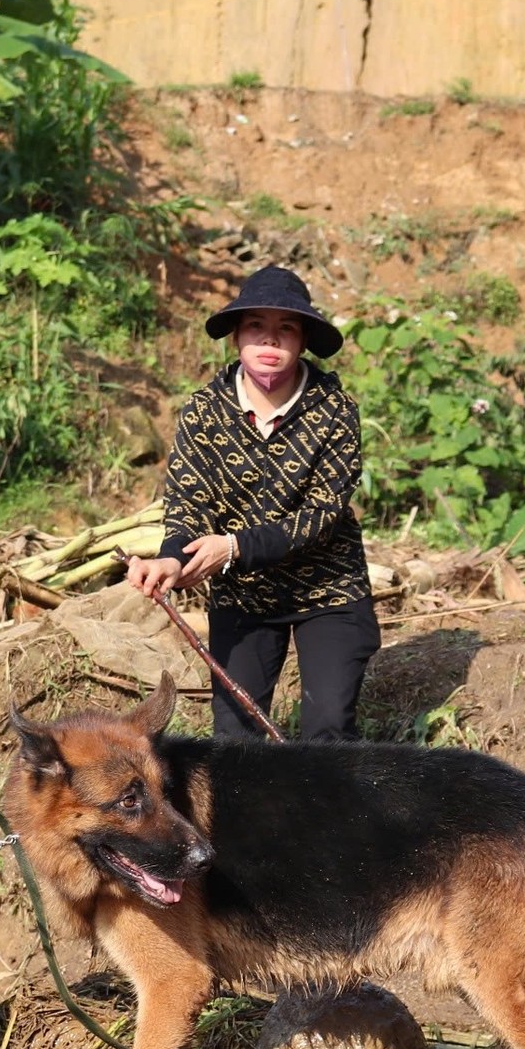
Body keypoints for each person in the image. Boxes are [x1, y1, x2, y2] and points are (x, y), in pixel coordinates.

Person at [126, 265, 379, 740]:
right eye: (257, 326)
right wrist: (170, 558)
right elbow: (187, 499)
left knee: (327, 729)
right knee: (235, 741)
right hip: (245, 595)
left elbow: (321, 515)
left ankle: (330, 814)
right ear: (237, 337)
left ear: (302, 341)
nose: (271, 341)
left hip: (327, 590)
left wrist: (235, 547)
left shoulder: (335, 410)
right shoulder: (204, 411)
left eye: (286, 328)